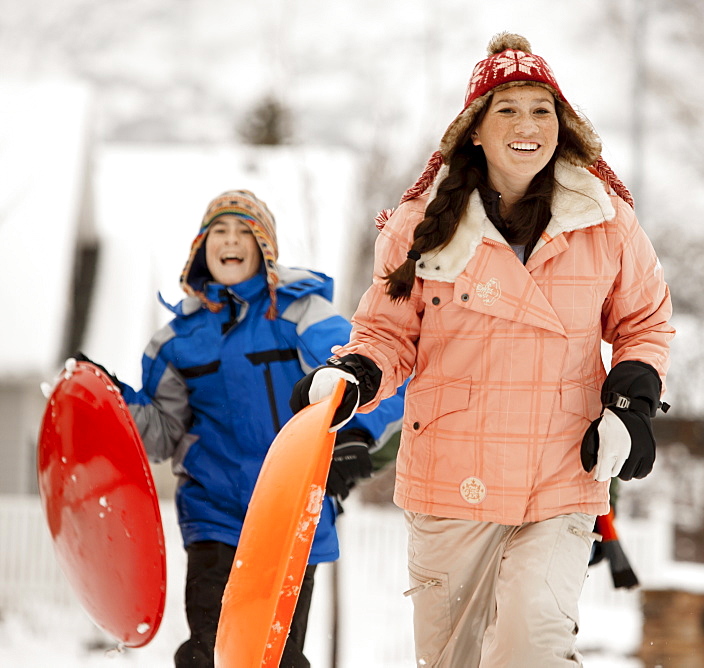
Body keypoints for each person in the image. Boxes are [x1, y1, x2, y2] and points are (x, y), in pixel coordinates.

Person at [291, 33, 673, 666]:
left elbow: (645, 321)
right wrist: (355, 375)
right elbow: (388, 334)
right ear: (474, 129)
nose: (528, 125)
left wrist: (631, 402)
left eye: (542, 110)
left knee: (533, 648)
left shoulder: (606, 222)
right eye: (508, 110)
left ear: (563, 125)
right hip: (452, 475)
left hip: (561, 472)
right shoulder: (423, 226)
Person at [75, 190, 404, 667]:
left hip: (289, 515)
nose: (230, 241)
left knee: (275, 657)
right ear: (201, 247)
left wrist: (353, 435)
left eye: (243, 231)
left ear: (264, 245)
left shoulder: (300, 315)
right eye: (219, 232)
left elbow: (370, 374)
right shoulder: (176, 341)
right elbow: (162, 432)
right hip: (213, 513)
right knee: (208, 654)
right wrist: (109, 400)